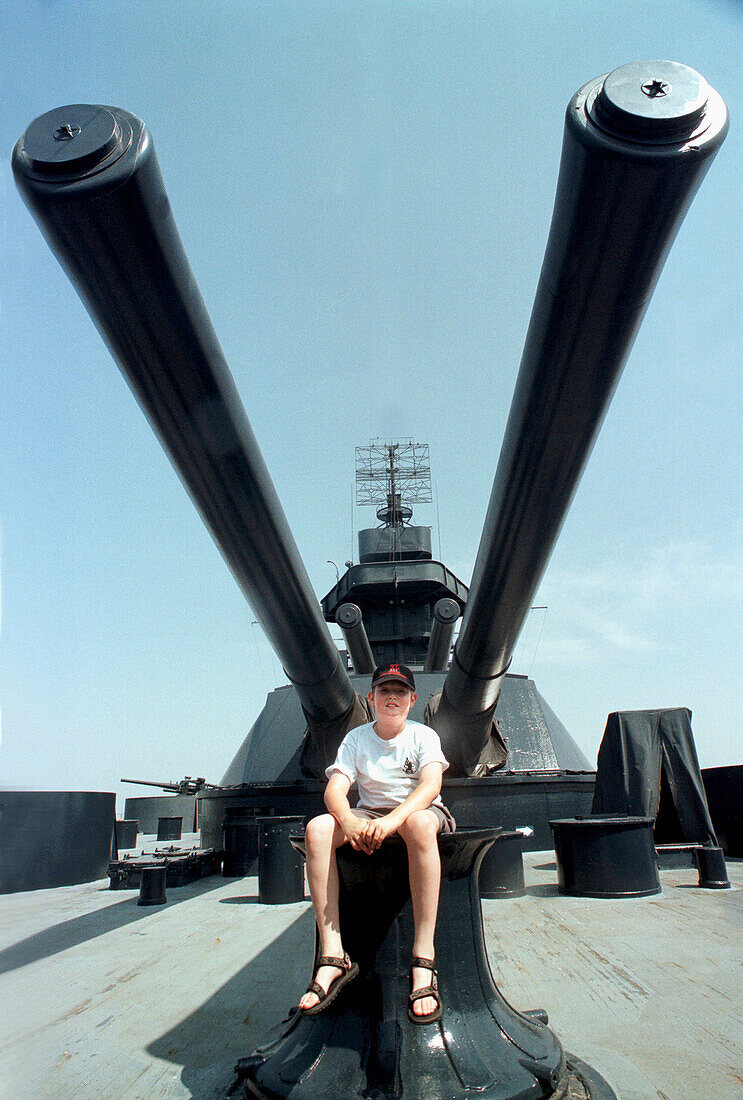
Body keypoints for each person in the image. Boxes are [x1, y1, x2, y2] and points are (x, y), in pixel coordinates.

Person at [298, 661, 455, 1024]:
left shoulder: (422, 736)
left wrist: (392, 821)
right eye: (384, 690)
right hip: (370, 814)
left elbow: (431, 787)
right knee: (319, 829)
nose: (392, 697)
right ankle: (333, 954)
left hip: (420, 812)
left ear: (412, 700)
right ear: (371, 698)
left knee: (417, 823)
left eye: (400, 691)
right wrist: (350, 822)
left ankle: (423, 958)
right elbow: (336, 789)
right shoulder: (356, 739)